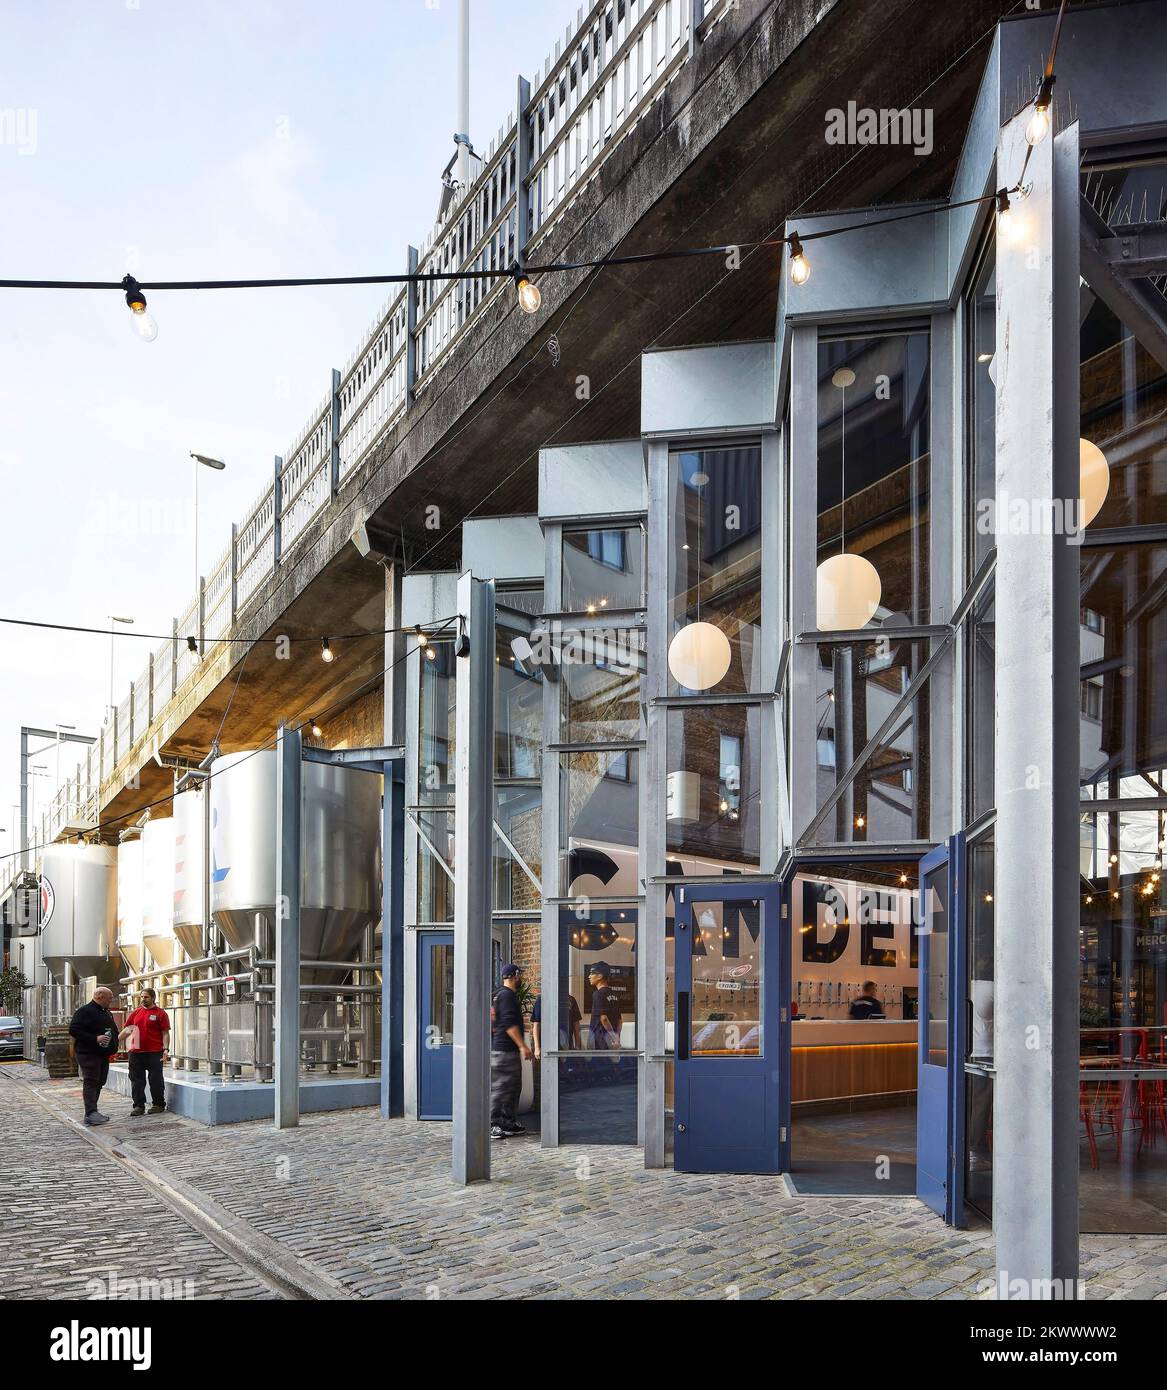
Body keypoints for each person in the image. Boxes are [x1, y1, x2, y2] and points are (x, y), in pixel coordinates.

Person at [490, 964, 532, 1140]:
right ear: (514, 976)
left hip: (504, 1050)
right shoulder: (506, 996)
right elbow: (508, 1024)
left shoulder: (498, 994)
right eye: (519, 975)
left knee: (512, 1089)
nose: (521, 978)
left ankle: (507, 1123)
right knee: (500, 1089)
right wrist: (522, 1046)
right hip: (504, 1051)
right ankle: (493, 1124)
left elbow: (494, 1021)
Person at [68, 986, 119, 1125]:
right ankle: (90, 1113)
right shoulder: (84, 1011)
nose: (111, 1000)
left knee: (99, 1082)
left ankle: (93, 1111)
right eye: (109, 998)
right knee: (91, 1081)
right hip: (89, 1054)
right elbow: (74, 1029)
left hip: (102, 1054)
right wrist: (95, 1038)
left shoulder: (105, 1011)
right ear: (100, 996)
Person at [119, 987, 170, 1116]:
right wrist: (116, 1040)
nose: (143, 999)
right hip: (136, 1053)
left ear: (153, 998)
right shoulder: (136, 1013)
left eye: (146, 997)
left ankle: (158, 1104)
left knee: (156, 1079)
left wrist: (166, 1049)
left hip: (154, 1052)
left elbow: (165, 1033)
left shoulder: (161, 1013)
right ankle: (138, 1106)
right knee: (136, 1080)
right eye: (141, 997)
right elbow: (127, 1030)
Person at [531, 990, 582, 1058]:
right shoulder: (541, 1000)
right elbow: (537, 1025)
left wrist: (578, 1046)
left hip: (566, 1045)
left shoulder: (570, 1000)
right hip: (546, 1046)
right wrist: (537, 1047)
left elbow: (576, 1025)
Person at [587, 963, 622, 1049]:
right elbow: (620, 1020)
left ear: (600, 976)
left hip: (599, 1040)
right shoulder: (615, 995)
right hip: (611, 1041)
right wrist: (616, 1037)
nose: (589, 976)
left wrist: (614, 1038)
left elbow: (604, 1018)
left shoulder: (597, 994)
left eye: (592, 973)